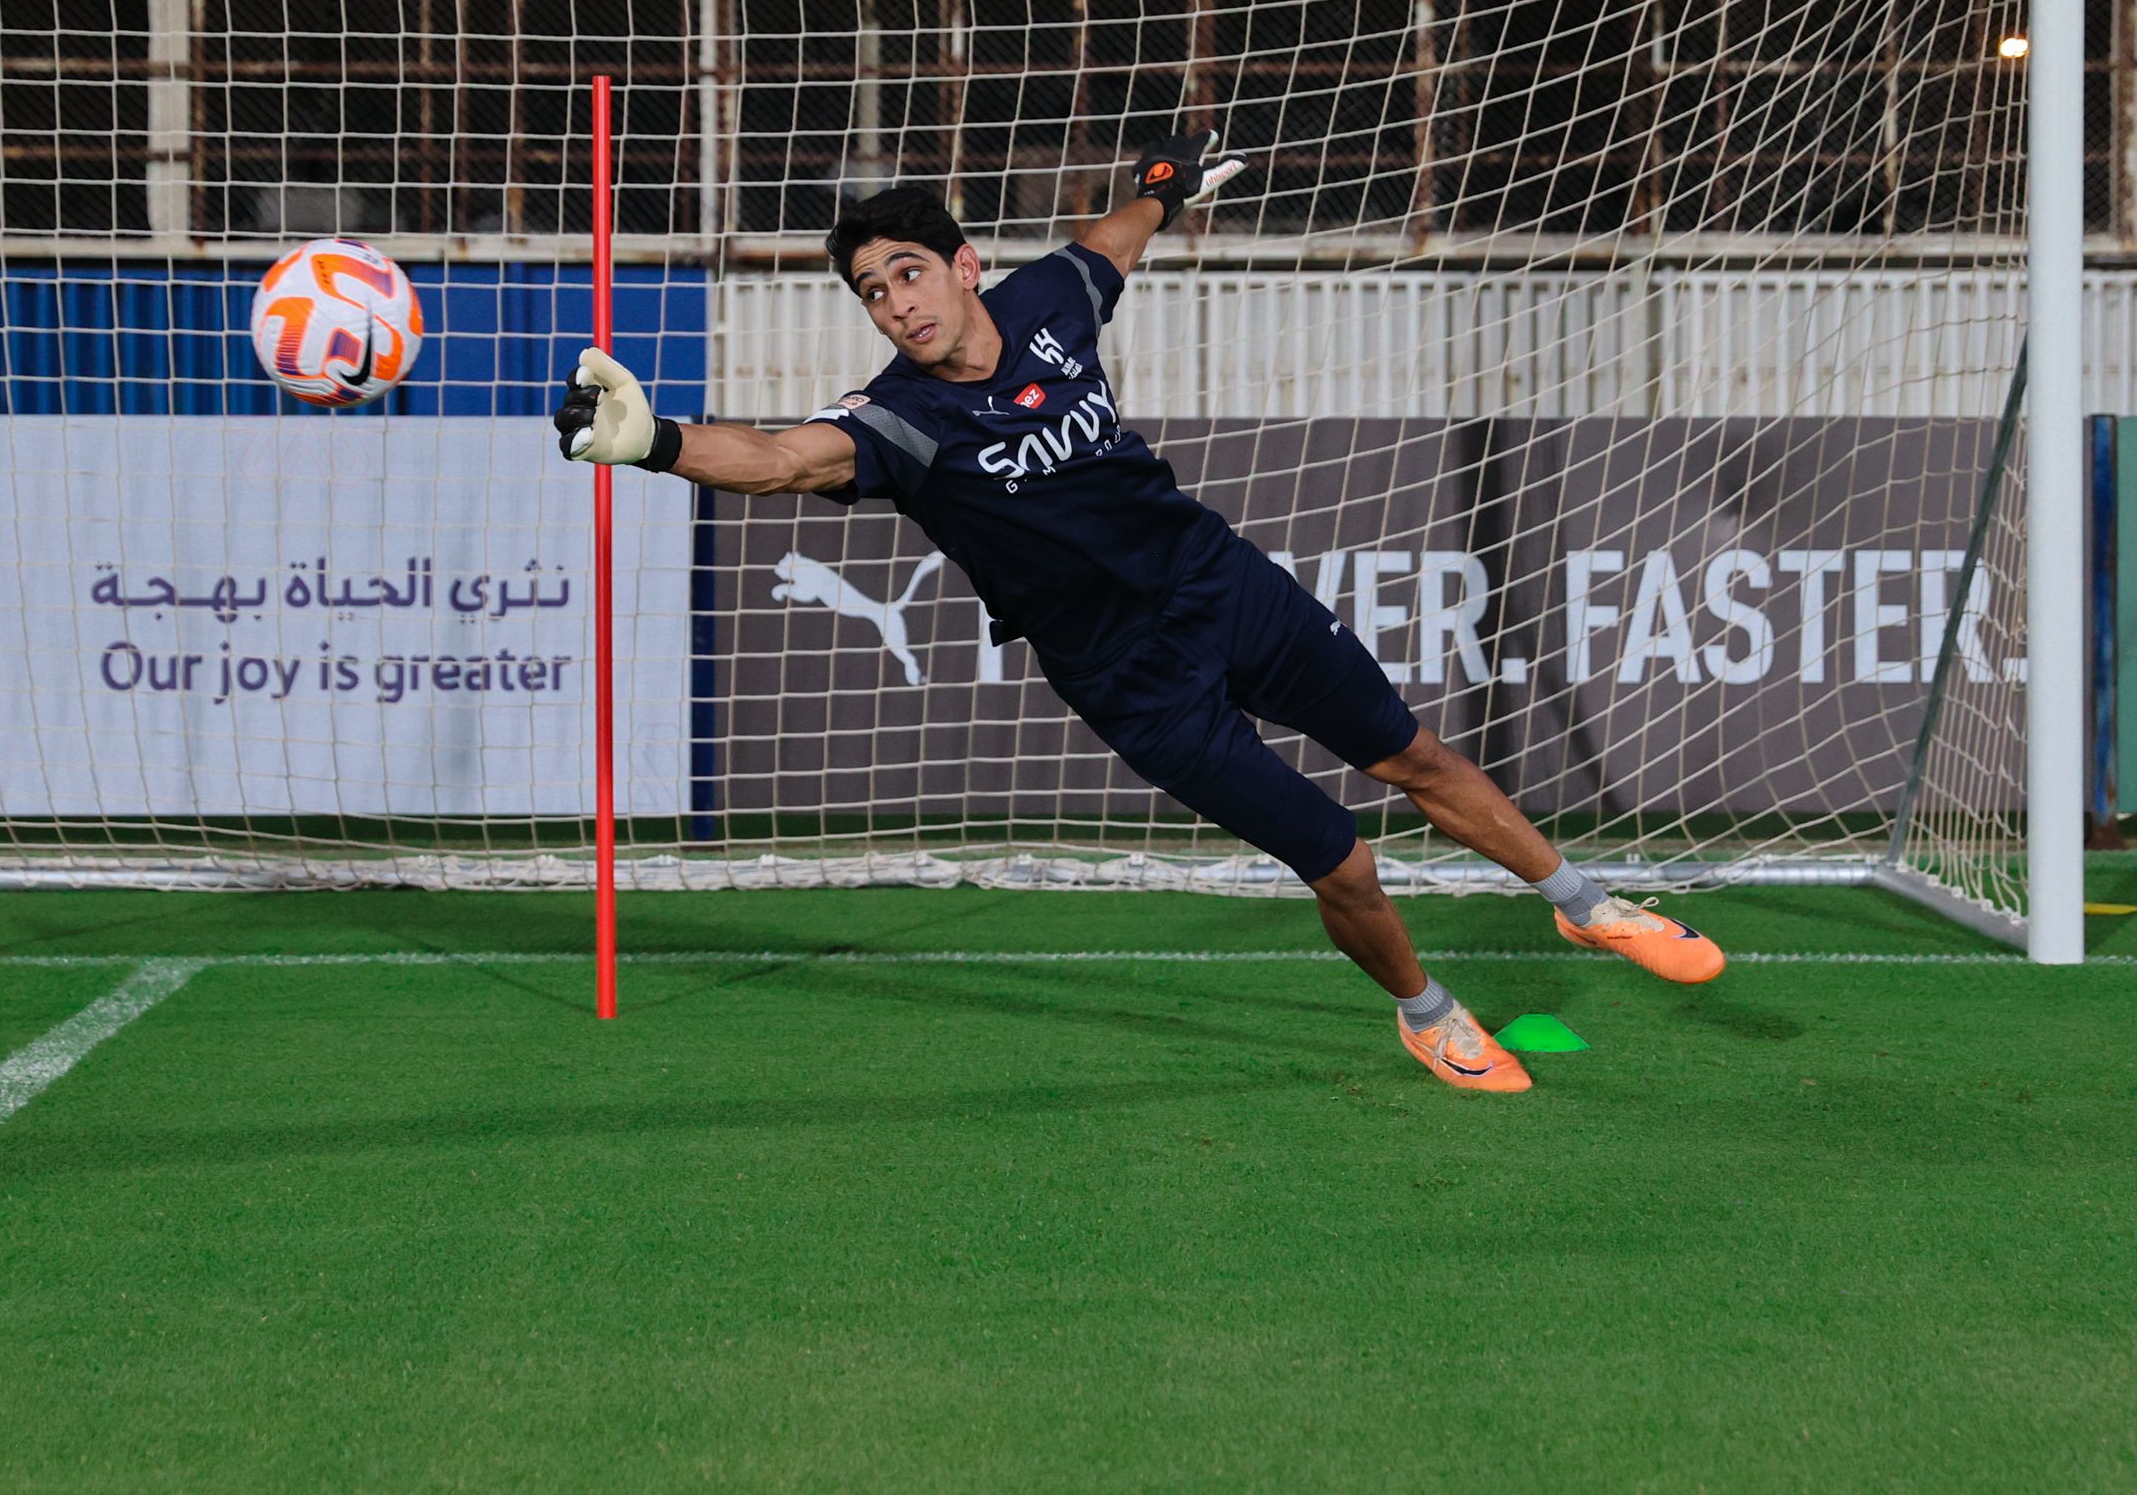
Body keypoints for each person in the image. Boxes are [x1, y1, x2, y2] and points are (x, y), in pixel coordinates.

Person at [553, 132, 1724, 1092]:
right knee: (1344, 862)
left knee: (1411, 751)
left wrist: (1159, 188)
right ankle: (1426, 1014)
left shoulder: (1051, 299)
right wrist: (652, 443)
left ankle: (1583, 904)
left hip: (1223, 586)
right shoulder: (898, 421)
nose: (892, 302)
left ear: (964, 266)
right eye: (870, 291)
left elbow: (1110, 243)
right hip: (1131, 682)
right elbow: (776, 456)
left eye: (907, 270)